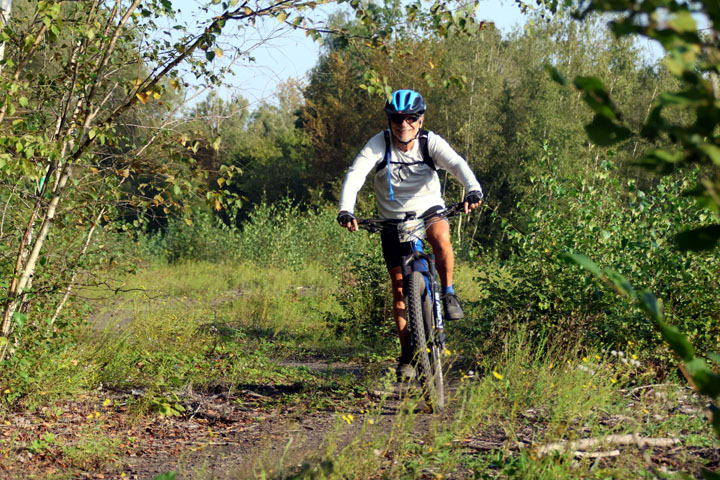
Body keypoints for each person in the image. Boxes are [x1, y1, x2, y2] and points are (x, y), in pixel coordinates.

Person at [336, 89, 484, 379]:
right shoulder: (380, 144)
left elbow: (456, 164)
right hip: (392, 220)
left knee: (441, 236)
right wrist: (346, 209)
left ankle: (449, 292)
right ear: (390, 121)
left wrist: (472, 189)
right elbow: (356, 174)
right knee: (399, 288)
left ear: (420, 120)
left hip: (428, 210)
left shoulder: (431, 142)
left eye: (410, 119)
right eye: (397, 119)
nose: (403, 125)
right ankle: (407, 356)